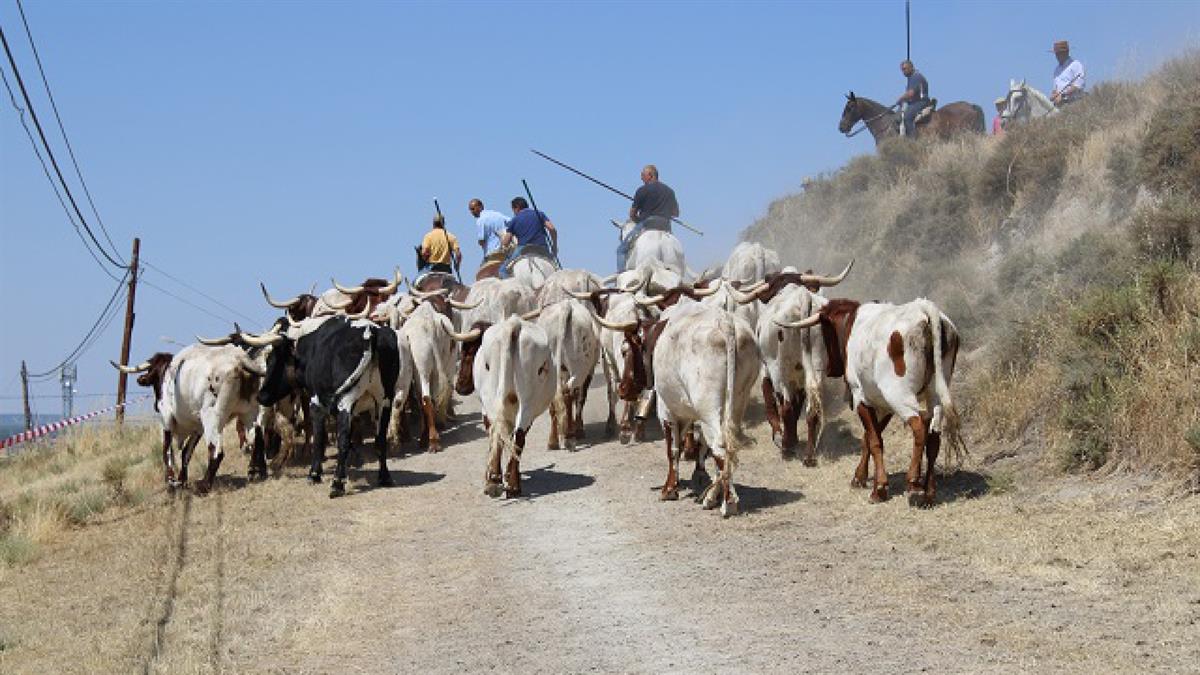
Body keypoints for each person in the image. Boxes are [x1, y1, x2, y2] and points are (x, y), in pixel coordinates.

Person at [617, 164, 679, 270]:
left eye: (642, 175)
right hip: (666, 226)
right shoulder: (670, 191)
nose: (641, 178)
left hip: (647, 225)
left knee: (621, 250)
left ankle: (621, 277)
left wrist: (637, 220)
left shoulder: (642, 190)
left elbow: (632, 214)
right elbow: (676, 213)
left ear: (650, 175)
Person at [498, 197, 557, 279]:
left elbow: (506, 242)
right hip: (542, 248)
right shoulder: (539, 214)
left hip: (523, 249)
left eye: (513, 210)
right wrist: (554, 245)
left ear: (516, 208)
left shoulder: (514, 220)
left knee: (502, 270)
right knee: (555, 269)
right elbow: (552, 229)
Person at [896, 60, 930, 138]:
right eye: (902, 70)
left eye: (905, 69)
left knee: (907, 117)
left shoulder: (916, 77)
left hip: (921, 101)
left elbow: (911, 93)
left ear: (911, 67)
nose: (903, 72)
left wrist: (900, 99)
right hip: (914, 102)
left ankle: (912, 139)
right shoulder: (911, 78)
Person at [469, 198, 510, 264]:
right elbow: (511, 222)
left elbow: (482, 241)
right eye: (470, 210)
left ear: (480, 207)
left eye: (473, 209)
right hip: (506, 252)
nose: (472, 212)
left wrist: (479, 242)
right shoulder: (497, 214)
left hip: (492, 254)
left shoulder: (480, 220)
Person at [1050, 40, 1086, 106]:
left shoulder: (1076, 65)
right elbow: (1055, 88)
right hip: (1060, 104)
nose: (1057, 56)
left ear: (1066, 52)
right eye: (1056, 54)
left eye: (1059, 53)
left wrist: (1063, 95)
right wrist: (1053, 95)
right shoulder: (1056, 70)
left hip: (1074, 102)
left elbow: (1078, 85)